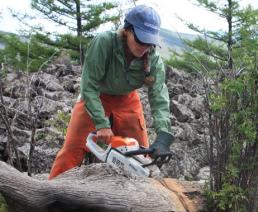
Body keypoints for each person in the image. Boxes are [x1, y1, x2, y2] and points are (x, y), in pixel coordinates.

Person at [49, 5, 173, 179]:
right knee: (71, 150)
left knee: (142, 157)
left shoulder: (153, 60)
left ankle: (138, 200)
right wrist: (102, 123)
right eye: (141, 40)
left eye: (149, 42)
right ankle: (54, 195)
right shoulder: (105, 43)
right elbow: (89, 86)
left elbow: (159, 97)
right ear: (127, 30)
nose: (145, 46)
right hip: (95, 95)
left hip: (128, 100)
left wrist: (163, 137)